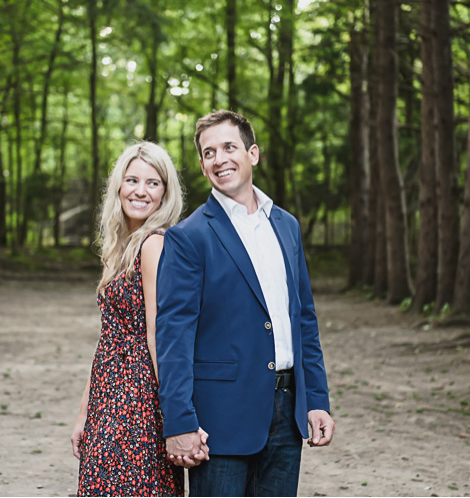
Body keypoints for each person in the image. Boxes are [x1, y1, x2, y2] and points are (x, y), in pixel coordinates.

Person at [156, 110, 334, 497]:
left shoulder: (287, 226)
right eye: (208, 153)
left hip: (287, 414)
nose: (219, 159)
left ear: (253, 154)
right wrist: (179, 422)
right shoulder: (188, 238)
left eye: (228, 147)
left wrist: (316, 399)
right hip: (220, 418)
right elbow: (174, 337)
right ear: (203, 167)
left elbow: (304, 318)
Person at [72, 141, 189, 497]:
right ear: (118, 186)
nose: (140, 191)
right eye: (132, 180)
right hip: (108, 394)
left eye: (153, 183)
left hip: (139, 400)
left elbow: (158, 334)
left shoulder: (155, 244)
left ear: (165, 193)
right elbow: (107, 338)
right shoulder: (120, 246)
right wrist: (84, 413)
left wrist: (174, 412)